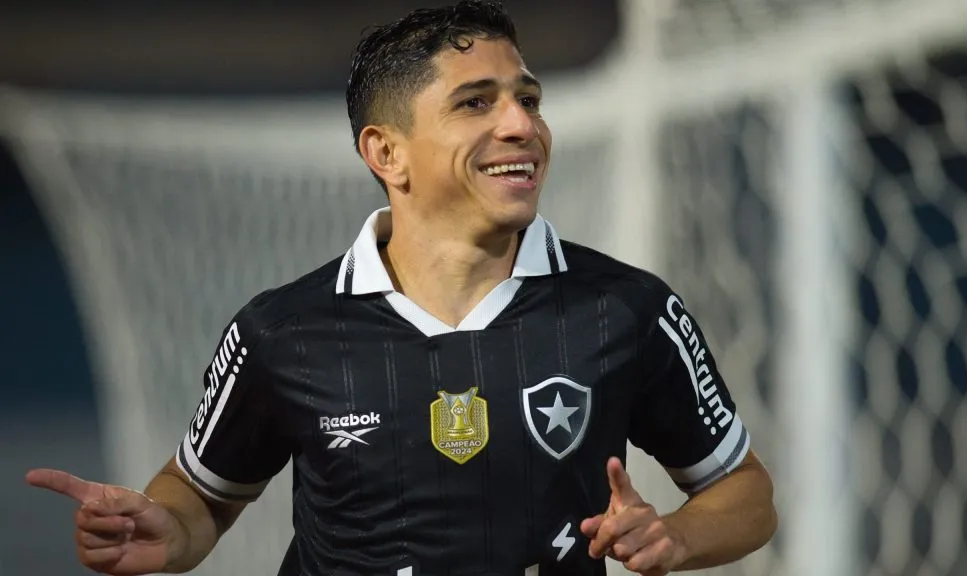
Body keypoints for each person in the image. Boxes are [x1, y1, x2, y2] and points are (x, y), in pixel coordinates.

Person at [26, 2, 777, 574]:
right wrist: (162, 527)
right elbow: (202, 496)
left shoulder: (629, 309)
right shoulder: (282, 332)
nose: (522, 124)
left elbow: (746, 494)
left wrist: (675, 535)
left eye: (530, 98)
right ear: (387, 152)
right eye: (476, 102)